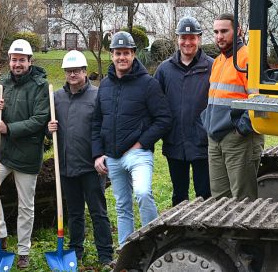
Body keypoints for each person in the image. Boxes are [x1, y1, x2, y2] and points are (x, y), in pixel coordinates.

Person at [91, 31, 172, 245]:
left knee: (143, 193)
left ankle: (154, 244)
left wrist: (141, 143)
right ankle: (126, 251)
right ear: (111, 55)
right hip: (113, 156)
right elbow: (97, 121)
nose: (122, 58)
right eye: (118, 53)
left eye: (126, 53)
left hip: (138, 154)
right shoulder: (105, 85)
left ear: (133, 54)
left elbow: (163, 119)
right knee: (122, 205)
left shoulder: (148, 84)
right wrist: (98, 153)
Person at [0, 38, 50, 269]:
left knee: (26, 205)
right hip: (3, 151)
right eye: (13, 59)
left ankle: (24, 251)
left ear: (30, 61)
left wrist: (9, 129)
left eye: (21, 60)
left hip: (27, 153)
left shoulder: (40, 86)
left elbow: (40, 120)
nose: (17, 64)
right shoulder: (4, 82)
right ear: (9, 61)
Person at [47, 50, 115, 267]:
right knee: (74, 212)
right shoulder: (56, 98)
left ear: (85, 72)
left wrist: (102, 155)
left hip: (91, 165)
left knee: (98, 211)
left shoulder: (97, 96)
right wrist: (49, 129)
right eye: (69, 71)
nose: (72, 74)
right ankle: (76, 251)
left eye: (76, 70)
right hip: (66, 165)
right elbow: (49, 131)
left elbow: (106, 128)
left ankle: (105, 255)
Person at [201, 15, 264, 199]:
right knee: (220, 200)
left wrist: (241, 130)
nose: (219, 36)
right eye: (216, 32)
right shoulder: (219, 61)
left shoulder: (248, 58)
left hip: (238, 140)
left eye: (224, 31)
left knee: (243, 201)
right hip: (216, 138)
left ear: (238, 31)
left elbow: (259, 99)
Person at [154, 17, 213, 205]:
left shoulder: (212, 67)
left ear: (199, 38)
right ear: (177, 39)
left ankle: (205, 232)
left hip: (202, 143)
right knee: (179, 196)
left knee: (205, 194)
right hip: (175, 143)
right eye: (183, 37)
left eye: (192, 37)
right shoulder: (164, 69)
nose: (187, 42)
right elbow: (154, 103)